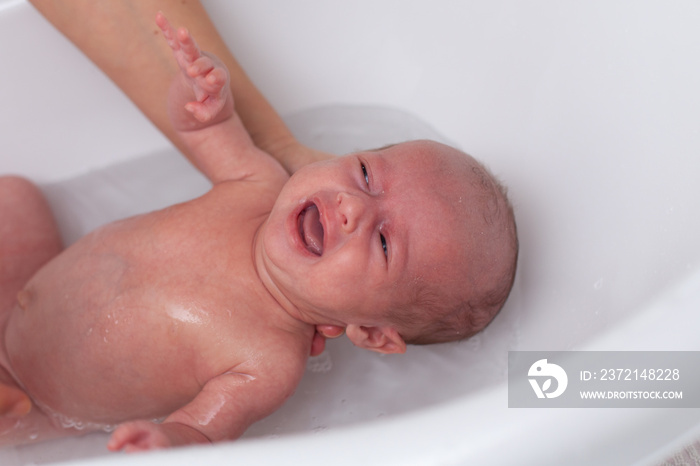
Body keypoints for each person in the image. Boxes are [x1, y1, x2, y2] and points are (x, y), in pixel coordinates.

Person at [0, 8, 517, 453]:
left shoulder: (267, 362)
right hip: (27, 282)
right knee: (14, 196)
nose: (352, 208)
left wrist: (162, 446)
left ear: (372, 332)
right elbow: (202, 128)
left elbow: (201, 433)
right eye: (364, 174)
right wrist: (201, 93)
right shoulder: (255, 182)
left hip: (33, 396)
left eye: (384, 242)